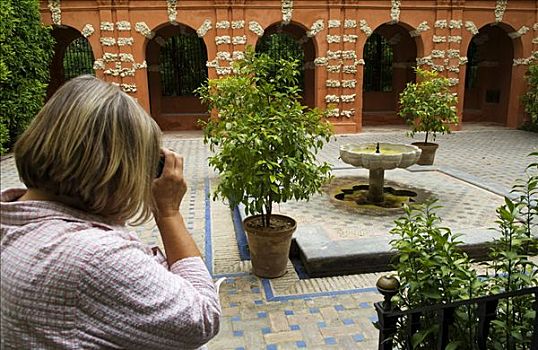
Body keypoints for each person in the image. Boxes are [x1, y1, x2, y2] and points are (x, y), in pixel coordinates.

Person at [0, 75, 221, 349]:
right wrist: (169, 213)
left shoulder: (13, 219)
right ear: (113, 169)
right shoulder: (93, 255)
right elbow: (202, 318)